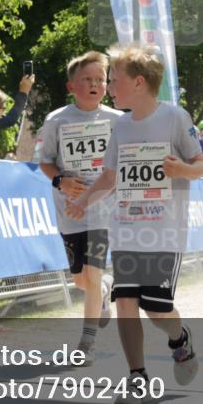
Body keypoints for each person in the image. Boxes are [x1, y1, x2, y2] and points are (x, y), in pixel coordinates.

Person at [68, 44, 203, 404]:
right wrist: (83, 201)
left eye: (115, 80)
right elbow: (110, 176)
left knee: (157, 311)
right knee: (126, 301)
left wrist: (182, 170)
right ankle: (137, 378)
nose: (109, 87)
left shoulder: (175, 118)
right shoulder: (122, 125)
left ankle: (180, 340)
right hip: (126, 229)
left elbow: (202, 165)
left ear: (140, 83)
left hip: (164, 233)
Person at [38, 50, 122, 365]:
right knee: (81, 281)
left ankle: (87, 343)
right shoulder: (56, 120)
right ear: (71, 86)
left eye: (100, 79)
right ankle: (103, 288)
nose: (94, 84)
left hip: (103, 210)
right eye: (87, 79)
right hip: (69, 210)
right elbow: (45, 162)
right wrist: (60, 180)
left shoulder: (117, 120)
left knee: (92, 270)